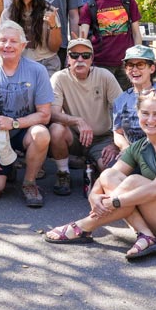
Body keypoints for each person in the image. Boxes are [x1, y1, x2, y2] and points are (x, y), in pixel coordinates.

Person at [45, 89, 156, 260]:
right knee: (109, 175)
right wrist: (94, 196)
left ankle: (83, 226)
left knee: (133, 182)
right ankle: (146, 235)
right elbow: (109, 175)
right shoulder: (140, 146)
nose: (150, 120)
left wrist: (114, 201)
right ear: (138, 114)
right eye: (145, 113)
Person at [0, 20, 54, 207]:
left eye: (13, 41)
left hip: (23, 131)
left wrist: (14, 123)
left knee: (41, 134)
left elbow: (44, 115)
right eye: (3, 40)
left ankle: (29, 183)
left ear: (23, 45)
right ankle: (7, 168)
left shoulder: (38, 71)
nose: (8, 45)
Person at [48, 38, 123, 196]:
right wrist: (77, 121)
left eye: (85, 55)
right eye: (74, 55)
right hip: (74, 136)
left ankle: (95, 166)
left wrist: (116, 144)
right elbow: (52, 113)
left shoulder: (105, 76)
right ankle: (63, 174)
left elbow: (123, 111)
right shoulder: (59, 78)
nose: (80, 59)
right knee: (56, 129)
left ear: (92, 59)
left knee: (112, 172)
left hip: (102, 138)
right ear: (68, 58)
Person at [79, 0, 142, 89]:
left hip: (126, 64)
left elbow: (136, 33)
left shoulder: (127, 1)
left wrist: (137, 58)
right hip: (101, 64)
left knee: (126, 102)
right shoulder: (89, 6)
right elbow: (83, 37)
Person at [0, 0, 62, 76]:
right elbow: (3, 45)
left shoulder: (50, 11)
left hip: (47, 64)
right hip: (19, 64)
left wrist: (53, 25)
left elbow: (55, 47)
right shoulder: (8, 13)